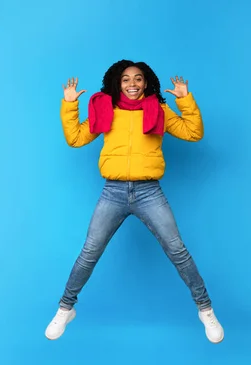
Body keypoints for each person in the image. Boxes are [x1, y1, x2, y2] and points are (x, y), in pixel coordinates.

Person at [45, 59, 224, 344]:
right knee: (90, 252)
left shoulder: (159, 110)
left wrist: (185, 99)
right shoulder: (106, 110)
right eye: (126, 79)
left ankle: (206, 309)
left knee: (177, 250)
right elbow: (76, 138)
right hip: (113, 192)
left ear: (146, 82)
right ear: (117, 82)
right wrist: (69, 105)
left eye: (138, 79)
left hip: (149, 191)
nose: (132, 84)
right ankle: (65, 309)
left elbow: (194, 132)